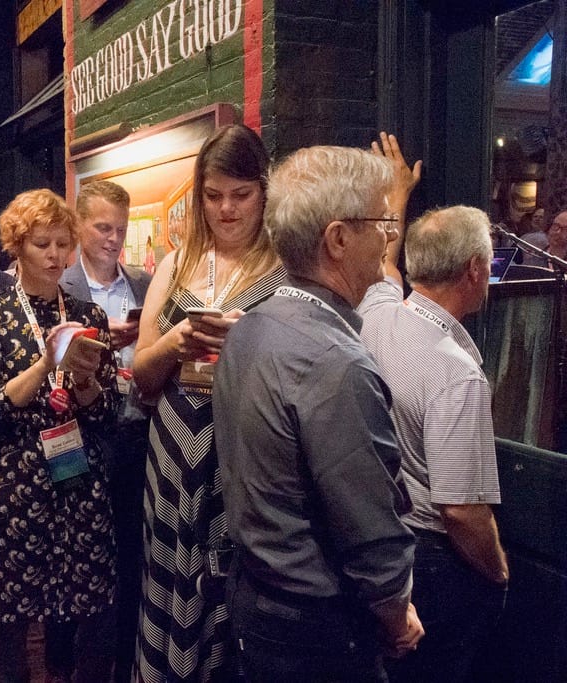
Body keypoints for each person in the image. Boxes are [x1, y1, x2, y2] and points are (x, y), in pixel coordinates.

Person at [214, 141, 424, 682]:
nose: (389, 235)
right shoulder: (336, 363)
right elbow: (371, 533)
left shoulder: (253, 324)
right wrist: (396, 615)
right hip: (315, 631)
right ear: (337, 239)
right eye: (382, 221)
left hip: (257, 601)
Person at [132, 124, 286, 682]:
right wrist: (176, 342)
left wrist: (251, 342)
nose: (226, 209)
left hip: (243, 450)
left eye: (240, 195)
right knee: (169, 573)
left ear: (264, 191)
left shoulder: (284, 269)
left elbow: (303, 378)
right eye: (213, 195)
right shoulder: (177, 264)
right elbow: (140, 374)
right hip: (174, 448)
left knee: (229, 585)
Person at [0, 188, 120, 683]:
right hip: (11, 487)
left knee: (86, 616)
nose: (54, 255)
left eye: (61, 243)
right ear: (16, 246)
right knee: (9, 626)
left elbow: (105, 411)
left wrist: (87, 382)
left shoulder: (87, 316)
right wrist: (45, 363)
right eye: (41, 244)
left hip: (74, 486)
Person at [359, 203, 509, 683]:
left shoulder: (374, 312)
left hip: (378, 549)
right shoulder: (456, 372)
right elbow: (461, 510)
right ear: (474, 270)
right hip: (436, 565)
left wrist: (397, 197)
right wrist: (499, 572)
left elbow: (385, 266)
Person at [59, 179, 151, 683]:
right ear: (79, 226)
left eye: (121, 228)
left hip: (136, 430)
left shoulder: (142, 282)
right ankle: (75, 660)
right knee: (79, 551)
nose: (113, 238)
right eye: (102, 227)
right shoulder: (59, 286)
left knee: (130, 548)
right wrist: (95, 343)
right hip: (77, 435)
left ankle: (124, 661)